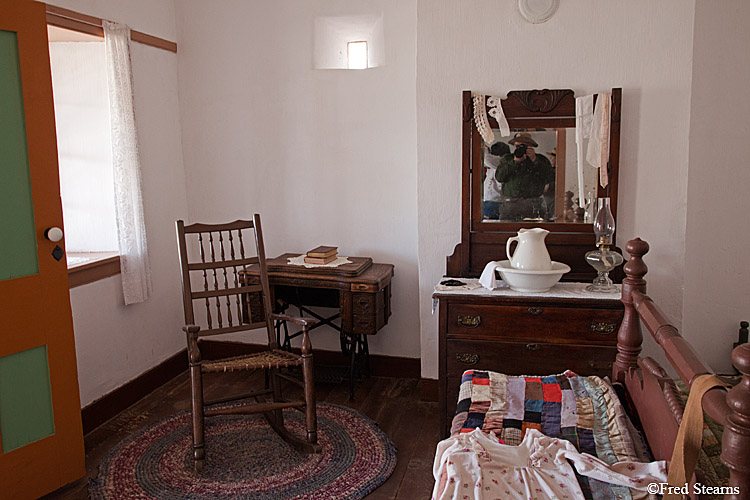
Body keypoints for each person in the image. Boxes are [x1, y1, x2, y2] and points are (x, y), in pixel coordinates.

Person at [494, 132, 555, 221]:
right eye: (517, 146)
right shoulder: (507, 159)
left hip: (533, 204)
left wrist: (535, 161)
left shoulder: (541, 160)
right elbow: (499, 177)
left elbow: (549, 177)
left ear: (530, 146)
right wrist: (514, 163)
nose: (519, 149)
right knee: (507, 230)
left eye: (523, 146)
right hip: (510, 204)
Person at [482, 141, 510, 219]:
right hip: (496, 201)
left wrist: (483, 145)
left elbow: (486, 158)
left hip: (494, 201)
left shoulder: (500, 161)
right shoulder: (506, 163)